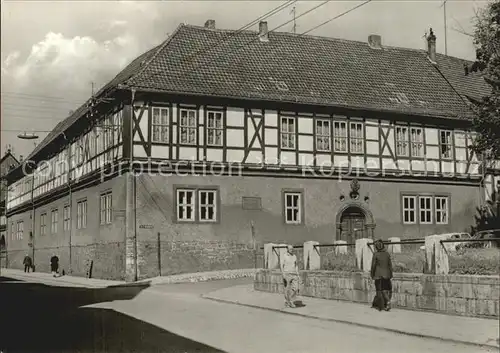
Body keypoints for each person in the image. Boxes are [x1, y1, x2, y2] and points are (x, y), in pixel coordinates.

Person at [370, 239, 393, 311]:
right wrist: (391, 274)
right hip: (386, 274)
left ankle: (381, 306)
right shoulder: (387, 254)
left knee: (379, 290)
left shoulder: (376, 254)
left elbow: (373, 266)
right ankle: (387, 302)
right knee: (385, 290)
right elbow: (390, 265)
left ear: (376, 247)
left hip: (378, 275)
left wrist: (372, 274)